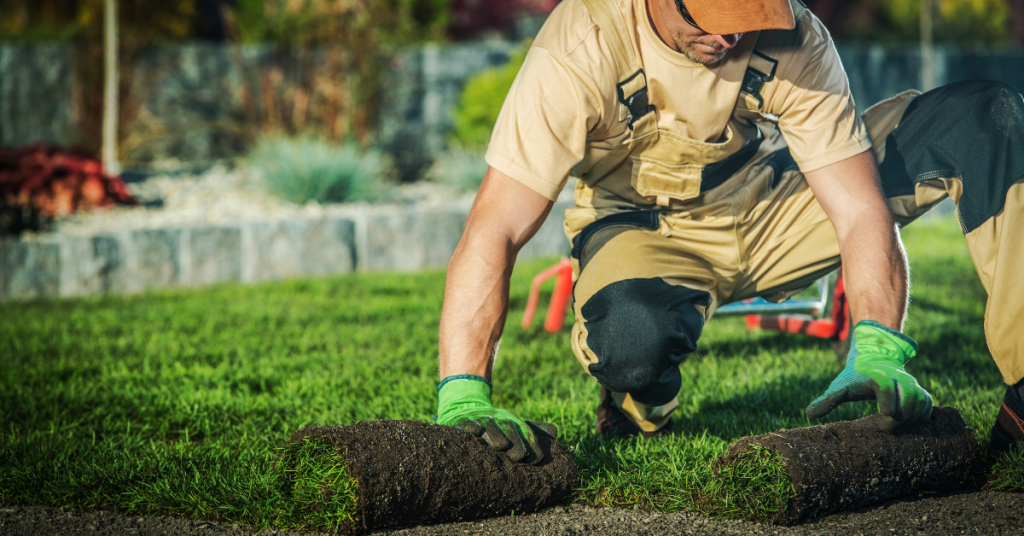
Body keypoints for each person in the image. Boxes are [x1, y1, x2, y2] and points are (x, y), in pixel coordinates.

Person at [433, 0, 1024, 463]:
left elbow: (857, 209)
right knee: (633, 342)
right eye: (712, 15)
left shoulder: (797, 36)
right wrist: (463, 390)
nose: (730, 36)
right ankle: (641, 400)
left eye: (747, 15)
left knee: (983, 116)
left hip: (769, 202)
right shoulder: (580, 44)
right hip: (642, 227)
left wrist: (878, 345)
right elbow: (496, 227)